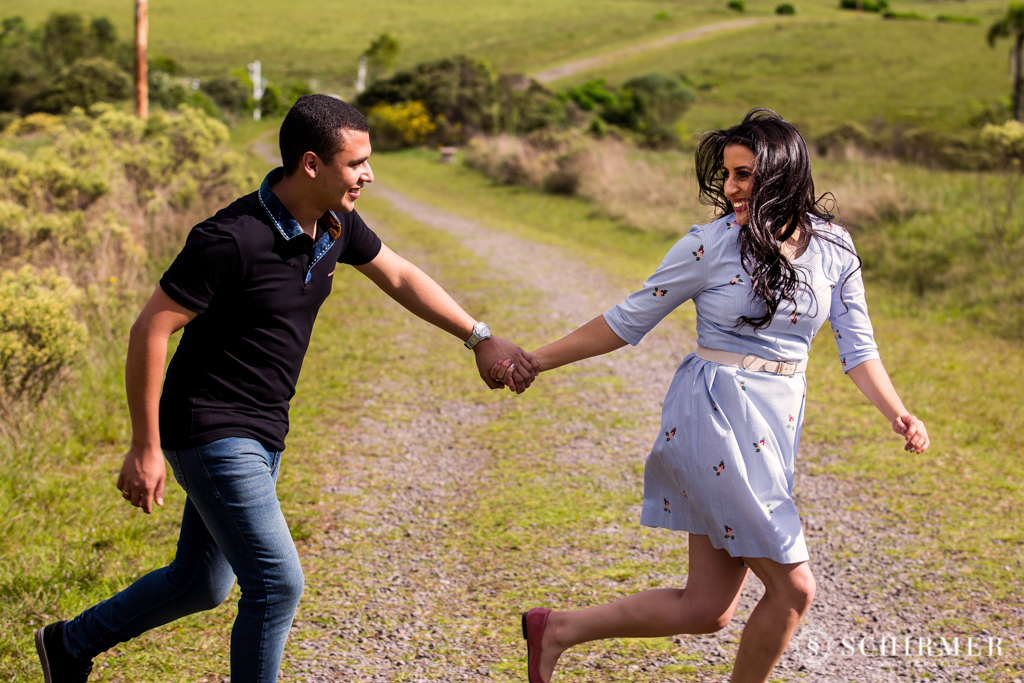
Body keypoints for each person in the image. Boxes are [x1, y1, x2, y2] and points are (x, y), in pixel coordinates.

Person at [34, 94, 536, 683]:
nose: (369, 175)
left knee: (201, 582)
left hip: (266, 426)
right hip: (210, 426)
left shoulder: (335, 225)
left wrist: (480, 337)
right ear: (311, 164)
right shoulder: (230, 238)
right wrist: (145, 446)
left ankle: (69, 645)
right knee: (276, 584)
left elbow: (399, 274)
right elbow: (151, 327)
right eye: (357, 164)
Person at [491, 108, 930, 683]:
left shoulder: (835, 249)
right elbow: (628, 319)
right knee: (794, 589)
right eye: (727, 174)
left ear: (783, 173)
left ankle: (559, 630)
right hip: (713, 415)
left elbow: (858, 347)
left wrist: (898, 412)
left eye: (745, 174)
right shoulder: (710, 245)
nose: (732, 188)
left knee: (707, 609)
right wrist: (536, 361)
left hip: (776, 421)